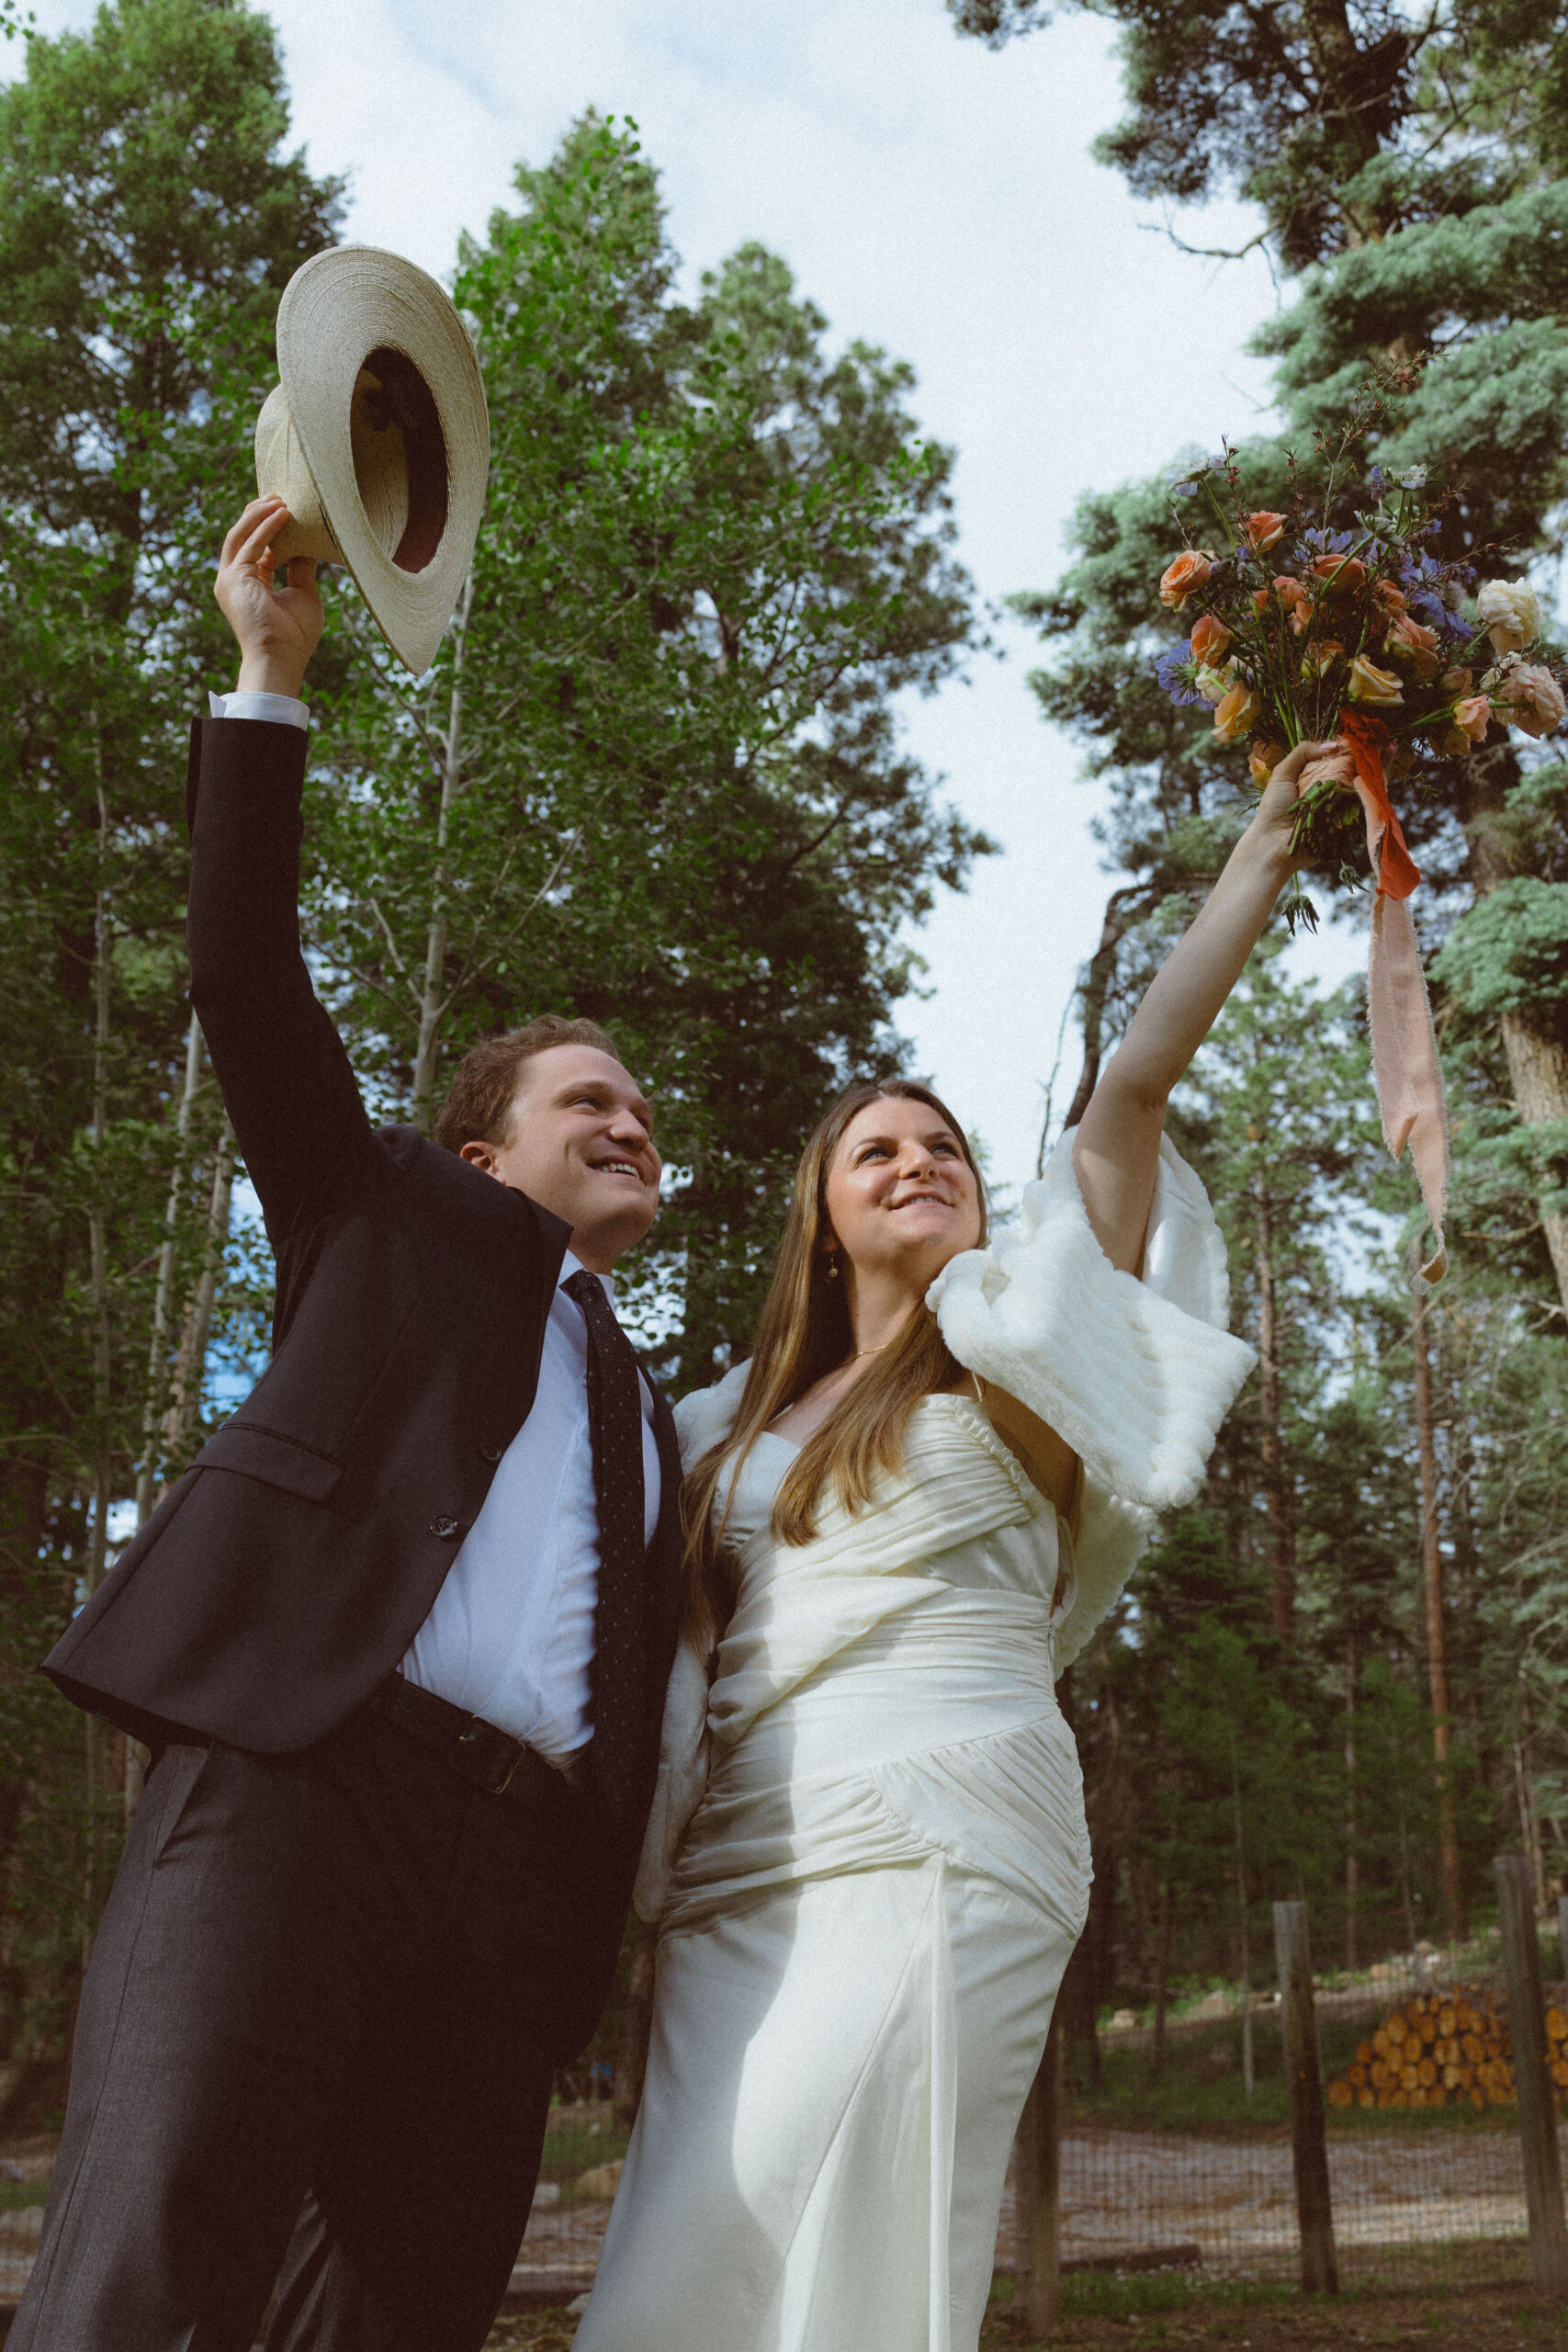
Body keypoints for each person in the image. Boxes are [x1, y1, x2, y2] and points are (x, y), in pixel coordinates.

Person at [14, 497, 685, 2352]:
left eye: (639, 1106)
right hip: (298, 1787)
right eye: (585, 1100)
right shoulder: (378, 1215)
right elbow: (243, 963)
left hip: (507, 1897)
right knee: (157, 2265)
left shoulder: (647, 1406)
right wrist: (266, 670)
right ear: (479, 1148)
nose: (628, 1120)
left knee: (396, 2317)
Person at [573, 739, 1336, 2352]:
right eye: (879, 1151)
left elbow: (1128, 1094)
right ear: (820, 1211)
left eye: (947, 1150)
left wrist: (1267, 844)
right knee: (678, 2277)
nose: (920, 1162)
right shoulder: (709, 1426)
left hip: (942, 1832)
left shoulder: (1031, 1348)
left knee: (867, 2251)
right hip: (738, 1875)